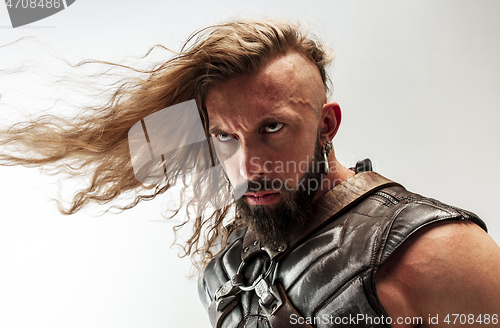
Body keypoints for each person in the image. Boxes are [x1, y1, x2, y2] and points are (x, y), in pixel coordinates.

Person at [1, 19, 500, 327]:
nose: (249, 166)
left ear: (327, 124)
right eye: (226, 136)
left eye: (272, 127)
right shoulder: (229, 265)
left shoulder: (437, 252)